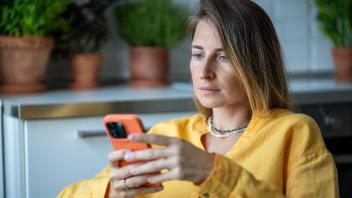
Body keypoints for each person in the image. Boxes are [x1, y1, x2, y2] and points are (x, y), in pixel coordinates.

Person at [58, 0, 339, 197]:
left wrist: (212, 171)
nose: (204, 72)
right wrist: (116, 192)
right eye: (197, 54)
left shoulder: (294, 133)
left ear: (256, 64)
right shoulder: (165, 137)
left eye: (224, 57)